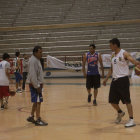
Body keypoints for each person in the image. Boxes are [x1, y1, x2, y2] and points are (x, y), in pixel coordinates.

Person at [103, 38, 140, 128]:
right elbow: (111, 69)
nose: (110, 47)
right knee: (112, 101)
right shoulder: (112, 55)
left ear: (115, 45)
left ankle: (131, 120)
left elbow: (132, 60)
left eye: (110, 45)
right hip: (114, 80)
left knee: (127, 100)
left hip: (123, 80)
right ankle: (120, 112)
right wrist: (106, 78)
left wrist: (136, 63)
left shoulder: (124, 53)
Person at [27, 46, 48, 126]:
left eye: (42, 52)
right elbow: (32, 75)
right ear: (35, 52)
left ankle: (31, 116)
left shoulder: (36, 60)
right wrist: (37, 86)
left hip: (37, 84)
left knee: (36, 101)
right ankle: (38, 119)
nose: (41, 54)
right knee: (39, 102)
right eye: (40, 52)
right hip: (36, 85)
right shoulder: (33, 61)